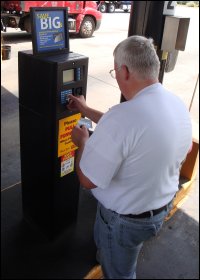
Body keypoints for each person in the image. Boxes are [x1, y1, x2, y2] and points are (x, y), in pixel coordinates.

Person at [67, 35, 192, 279]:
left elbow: (87, 179)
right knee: (117, 252)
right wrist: (84, 109)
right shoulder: (175, 105)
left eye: (114, 72)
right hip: (157, 209)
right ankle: (107, 254)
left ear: (124, 71)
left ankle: (111, 260)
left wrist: (83, 143)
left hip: (124, 222)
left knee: (121, 273)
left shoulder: (124, 117)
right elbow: (131, 131)